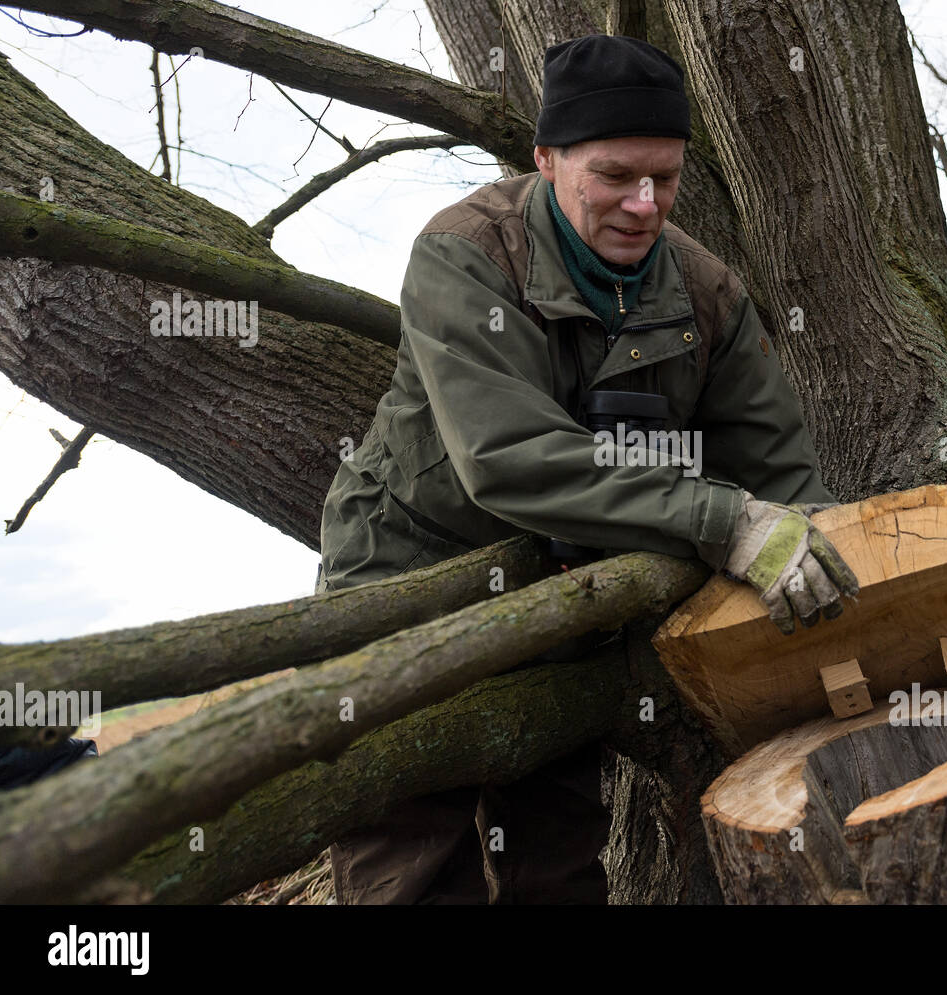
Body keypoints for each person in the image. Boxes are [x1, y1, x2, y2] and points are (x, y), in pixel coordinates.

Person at [317, 33, 858, 904]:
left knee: (560, 859)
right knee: (413, 863)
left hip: (572, 601)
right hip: (417, 584)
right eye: (614, 175)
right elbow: (511, 458)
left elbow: (786, 478)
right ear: (545, 158)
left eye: (666, 178)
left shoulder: (705, 292)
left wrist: (829, 567)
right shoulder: (466, 255)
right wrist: (726, 523)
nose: (645, 205)